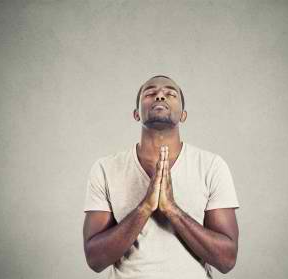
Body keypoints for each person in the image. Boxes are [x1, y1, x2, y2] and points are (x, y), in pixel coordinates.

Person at [83, 75, 240, 279]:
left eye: (170, 94)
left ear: (183, 115)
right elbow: (95, 260)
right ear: (136, 114)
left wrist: (172, 210)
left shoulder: (211, 166)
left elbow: (226, 260)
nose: (159, 96)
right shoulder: (105, 168)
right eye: (150, 93)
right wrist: (145, 207)